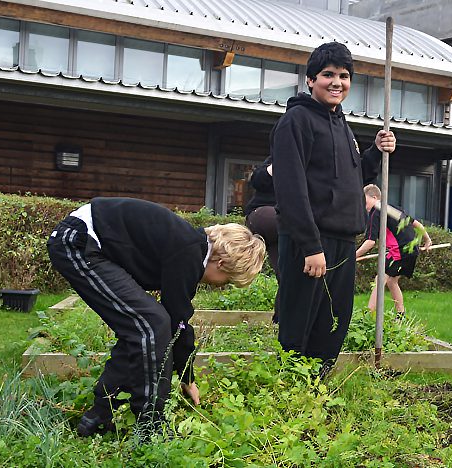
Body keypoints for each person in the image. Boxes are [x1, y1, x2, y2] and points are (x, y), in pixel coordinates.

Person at [47, 197, 266, 439]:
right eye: (227, 280)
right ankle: (151, 425)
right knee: (153, 324)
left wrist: (185, 373)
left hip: (88, 244)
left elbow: (176, 321)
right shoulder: (189, 252)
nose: (221, 287)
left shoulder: (190, 248)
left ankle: (99, 415)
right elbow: (177, 321)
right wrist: (187, 377)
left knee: (144, 327)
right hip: (79, 243)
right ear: (222, 263)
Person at [272, 42, 396, 373]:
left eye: (344, 76)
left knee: (333, 321)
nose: (336, 82)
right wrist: (310, 246)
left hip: (343, 239)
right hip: (310, 242)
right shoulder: (295, 122)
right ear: (311, 80)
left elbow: (352, 176)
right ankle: (291, 391)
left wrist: (376, 151)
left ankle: (318, 387)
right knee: (300, 319)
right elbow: (291, 190)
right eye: (328, 75)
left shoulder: (341, 123)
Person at [355, 184, 432, 317]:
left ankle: (368, 315)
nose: (363, 206)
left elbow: (370, 242)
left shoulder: (376, 211)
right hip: (411, 250)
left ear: (374, 197)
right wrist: (427, 239)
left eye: (365, 201)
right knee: (392, 281)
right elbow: (415, 223)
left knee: (380, 279)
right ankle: (400, 315)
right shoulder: (391, 208)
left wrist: (354, 255)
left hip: (399, 250)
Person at [244, 156, 281, 323]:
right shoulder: (279, 156)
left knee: (288, 273)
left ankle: (281, 320)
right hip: (264, 214)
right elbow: (257, 179)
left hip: (289, 223)